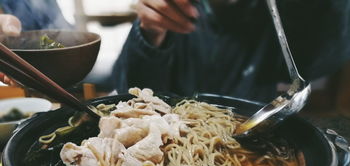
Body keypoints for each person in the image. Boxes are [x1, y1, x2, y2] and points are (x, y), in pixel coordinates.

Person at [112, 0, 350, 103]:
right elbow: (130, 94)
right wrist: (150, 31)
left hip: (249, 140)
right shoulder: (172, 8)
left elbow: (316, 64)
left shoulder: (274, 13)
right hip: (169, 139)